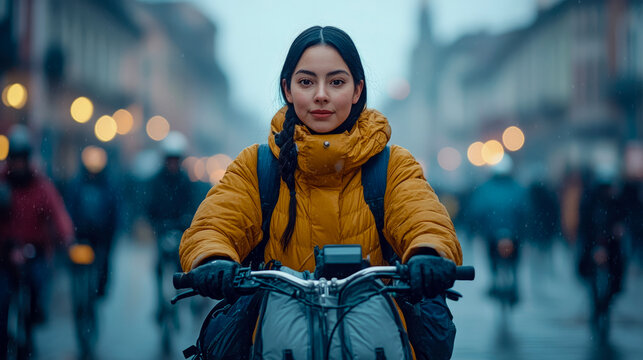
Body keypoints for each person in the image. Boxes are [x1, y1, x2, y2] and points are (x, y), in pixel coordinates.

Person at [179, 26, 462, 360]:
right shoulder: (257, 166)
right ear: (287, 89)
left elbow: (422, 216)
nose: (321, 95)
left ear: (357, 90)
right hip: (278, 336)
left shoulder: (393, 164)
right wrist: (214, 259)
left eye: (337, 82)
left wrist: (427, 253)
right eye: (306, 81)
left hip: (372, 337)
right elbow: (215, 224)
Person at [0, 124, 74, 358]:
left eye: (22, 159)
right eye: (16, 159)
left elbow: (58, 212)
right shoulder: (2, 184)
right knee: (2, 299)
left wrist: (68, 239)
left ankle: (30, 328)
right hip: (5, 252)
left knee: (38, 288)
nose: (19, 164)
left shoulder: (41, 184)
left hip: (36, 250)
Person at [467, 155, 529, 301]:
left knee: (491, 255)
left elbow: (476, 210)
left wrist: (476, 229)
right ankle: (515, 283)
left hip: (493, 232)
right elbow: (525, 209)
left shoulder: (485, 188)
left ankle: (494, 279)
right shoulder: (517, 187)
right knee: (515, 259)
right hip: (513, 232)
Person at [65, 146, 119, 298]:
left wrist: (112, 231)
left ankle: (99, 289)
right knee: (76, 265)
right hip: (81, 234)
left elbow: (114, 209)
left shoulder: (107, 185)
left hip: (101, 235)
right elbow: (70, 208)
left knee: (103, 262)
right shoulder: (77, 185)